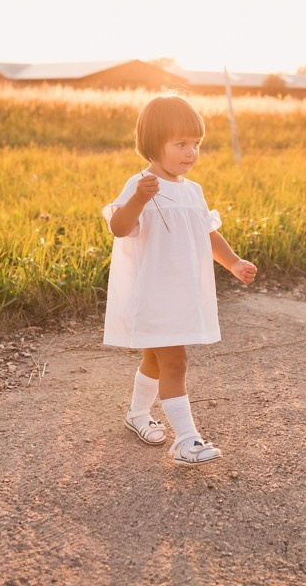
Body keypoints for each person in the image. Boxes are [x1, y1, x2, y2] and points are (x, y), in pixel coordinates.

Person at [102, 93, 257, 466]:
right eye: (181, 144)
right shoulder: (141, 184)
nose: (191, 152)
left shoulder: (193, 191)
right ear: (153, 144)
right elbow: (119, 227)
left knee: (155, 360)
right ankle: (187, 440)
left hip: (182, 292)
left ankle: (137, 414)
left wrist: (233, 262)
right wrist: (138, 199)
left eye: (196, 143)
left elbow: (207, 233)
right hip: (154, 293)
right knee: (175, 362)